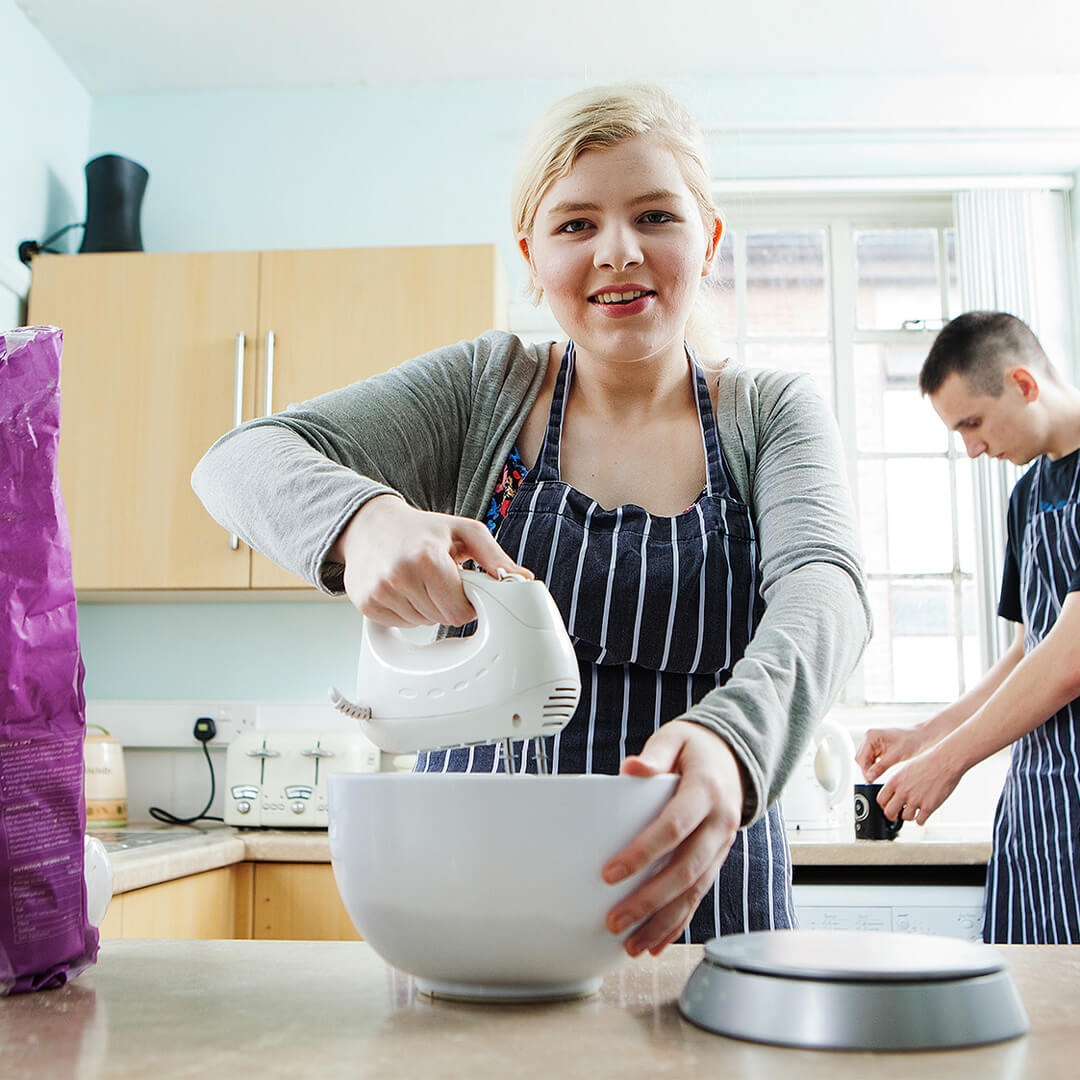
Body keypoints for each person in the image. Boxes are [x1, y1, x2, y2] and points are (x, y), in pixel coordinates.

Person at [193, 83, 869, 954]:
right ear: (533, 254)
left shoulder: (770, 413)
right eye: (576, 224)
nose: (618, 252)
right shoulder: (486, 389)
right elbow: (236, 461)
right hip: (470, 874)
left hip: (700, 880)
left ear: (709, 239)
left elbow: (827, 589)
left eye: (656, 216)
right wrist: (367, 521)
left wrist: (734, 743)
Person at [856, 311, 1080, 944]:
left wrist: (948, 763)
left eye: (973, 423)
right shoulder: (1028, 495)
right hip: (1042, 805)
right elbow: (1028, 651)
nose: (973, 448)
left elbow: (1069, 659)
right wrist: (924, 737)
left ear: (1024, 383)